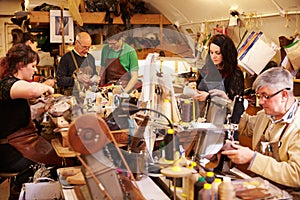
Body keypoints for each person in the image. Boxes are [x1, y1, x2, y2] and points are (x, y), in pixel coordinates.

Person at [222, 67, 300, 189]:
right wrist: (225, 104)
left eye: (265, 96)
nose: (261, 102)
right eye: (259, 96)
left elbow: (296, 175)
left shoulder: (297, 126)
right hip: (263, 187)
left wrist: (253, 158)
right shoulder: (265, 116)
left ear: (284, 95)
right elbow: (247, 125)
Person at [0, 43, 61, 198]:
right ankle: (24, 191)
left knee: (54, 147)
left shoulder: (14, 86)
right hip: (10, 151)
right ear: (21, 65)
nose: (35, 70)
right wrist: (48, 87)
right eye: (33, 66)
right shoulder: (6, 84)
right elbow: (34, 90)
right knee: (59, 161)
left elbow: (16, 116)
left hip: (17, 143)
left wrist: (43, 108)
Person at [192, 34, 244, 102]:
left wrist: (209, 98)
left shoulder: (235, 74)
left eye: (217, 53)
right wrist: (193, 87)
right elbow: (199, 86)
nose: (214, 56)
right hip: (203, 110)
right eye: (211, 52)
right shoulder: (205, 69)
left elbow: (234, 103)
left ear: (226, 54)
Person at [99, 25, 139, 94]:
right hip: (109, 88)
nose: (110, 46)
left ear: (121, 39)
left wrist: (124, 92)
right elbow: (102, 70)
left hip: (124, 87)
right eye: (109, 43)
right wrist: (100, 86)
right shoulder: (105, 49)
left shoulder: (130, 51)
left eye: (113, 43)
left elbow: (134, 77)